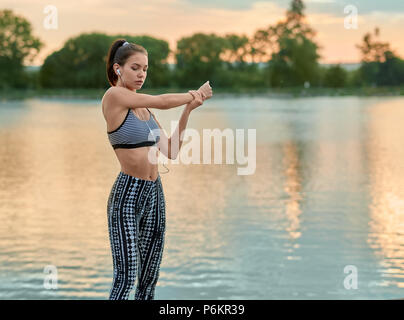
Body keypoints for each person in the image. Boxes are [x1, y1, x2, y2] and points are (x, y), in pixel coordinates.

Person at [102, 39, 213, 300]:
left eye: (145, 69)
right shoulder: (114, 97)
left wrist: (188, 109)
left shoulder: (146, 111)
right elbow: (163, 100)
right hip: (127, 196)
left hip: (154, 194)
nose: (141, 74)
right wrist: (193, 93)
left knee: (149, 278)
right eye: (135, 68)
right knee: (126, 278)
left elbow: (172, 151)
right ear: (118, 69)